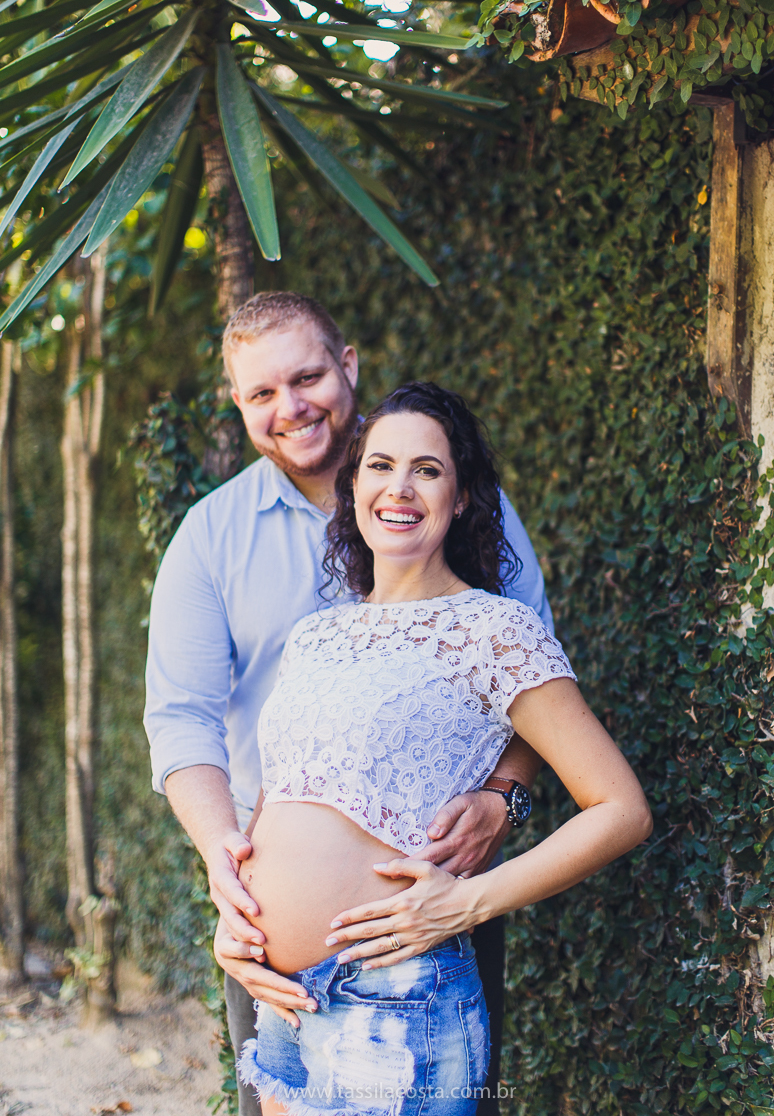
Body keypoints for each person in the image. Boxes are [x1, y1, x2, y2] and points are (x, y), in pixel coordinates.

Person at [143, 293, 554, 1116]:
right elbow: (181, 717)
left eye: (307, 377)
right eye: (261, 394)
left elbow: (534, 676)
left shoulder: (453, 504)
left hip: (429, 910)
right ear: (238, 403)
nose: (290, 408)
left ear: (349, 366)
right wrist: (226, 859)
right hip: (265, 933)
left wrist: (503, 797)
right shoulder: (210, 537)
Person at [232, 381, 652, 1116]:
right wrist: (234, 919)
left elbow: (620, 809)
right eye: (380, 465)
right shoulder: (314, 635)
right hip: (282, 1002)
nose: (399, 487)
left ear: (461, 499)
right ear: (353, 484)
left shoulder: (494, 631)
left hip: (397, 1004)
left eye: (427, 470)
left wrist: (465, 904)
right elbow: (277, 803)